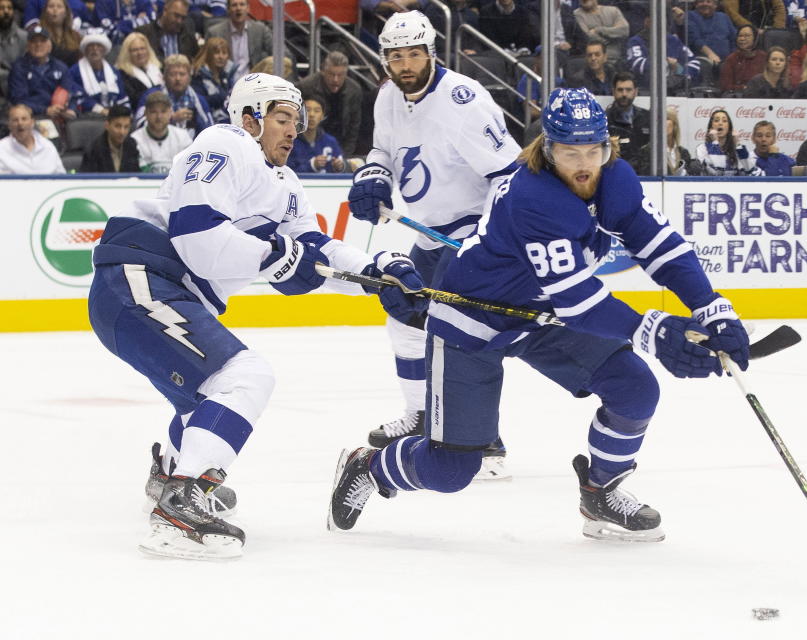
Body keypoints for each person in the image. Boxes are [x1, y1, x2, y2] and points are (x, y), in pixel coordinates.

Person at [327, 88, 751, 541]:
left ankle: (600, 492)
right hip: (473, 319)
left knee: (634, 388)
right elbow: (576, 297)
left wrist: (712, 305)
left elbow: (660, 245)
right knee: (451, 469)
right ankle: (370, 467)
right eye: (570, 152)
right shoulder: (533, 195)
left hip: (542, 316)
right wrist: (652, 330)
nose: (584, 163)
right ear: (548, 149)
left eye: (594, 149)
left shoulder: (616, 177)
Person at [87, 73, 427, 560]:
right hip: (139, 278)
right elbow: (198, 238)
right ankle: (182, 501)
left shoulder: (284, 182)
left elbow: (313, 250)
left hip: (157, 291)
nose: (294, 131)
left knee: (204, 405)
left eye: (298, 121)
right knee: (245, 377)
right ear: (249, 119)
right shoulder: (225, 143)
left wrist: (376, 274)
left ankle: (170, 472)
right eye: (283, 118)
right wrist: (275, 256)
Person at [346, 11, 521, 479]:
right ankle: (423, 415)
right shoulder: (387, 97)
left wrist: (492, 242)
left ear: (431, 52)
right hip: (431, 229)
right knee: (403, 316)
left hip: (474, 231)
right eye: (396, 57)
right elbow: (383, 150)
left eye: (413, 55)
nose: (405, 65)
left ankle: (485, 440)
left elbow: (510, 174)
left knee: (462, 336)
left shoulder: (464, 101)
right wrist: (373, 176)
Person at [297, 51, 361, 157]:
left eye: (340, 75)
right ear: (323, 71)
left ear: (346, 74)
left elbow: (353, 128)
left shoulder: (354, 90)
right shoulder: (305, 87)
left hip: (341, 141)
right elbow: (297, 122)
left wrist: (344, 157)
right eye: (331, 74)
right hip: (309, 144)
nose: (335, 80)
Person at [136, 54, 215, 138]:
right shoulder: (151, 96)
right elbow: (139, 124)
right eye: (173, 74)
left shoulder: (198, 100)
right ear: (164, 76)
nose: (178, 78)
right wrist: (170, 118)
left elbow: (210, 129)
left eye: (182, 74)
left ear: (189, 77)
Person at [8, 25, 76, 121]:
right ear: (27, 46)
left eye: (42, 41)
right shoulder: (19, 67)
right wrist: (44, 110)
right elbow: (18, 100)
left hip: (58, 114)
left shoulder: (61, 67)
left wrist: (70, 109)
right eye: (34, 41)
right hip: (32, 116)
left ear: (49, 45)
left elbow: (70, 92)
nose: (38, 45)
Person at [624, 10, 700, 95]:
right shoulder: (636, 41)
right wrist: (664, 63)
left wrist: (679, 70)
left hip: (675, 90)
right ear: (646, 22)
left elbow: (694, 63)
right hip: (647, 91)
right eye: (653, 20)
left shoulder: (673, 40)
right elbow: (636, 64)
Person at [68, 29, 130, 116]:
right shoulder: (74, 71)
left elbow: (122, 97)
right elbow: (78, 97)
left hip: (114, 115)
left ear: (105, 50)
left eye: (98, 46)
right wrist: (102, 111)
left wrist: (126, 113)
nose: (95, 49)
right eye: (91, 46)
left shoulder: (114, 72)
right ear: (85, 50)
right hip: (88, 117)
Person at [130, 89, 192, 172]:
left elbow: (189, 170)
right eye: (153, 112)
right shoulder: (135, 140)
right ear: (145, 113)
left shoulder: (183, 137)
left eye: (163, 111)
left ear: (170, 113)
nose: (159, 117)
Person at [205, 0, 271, 77]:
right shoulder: (214, 32)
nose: (238, 8)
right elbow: (205, 61)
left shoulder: (260, 29)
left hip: (253, 81)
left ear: (248, 8)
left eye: (242, 4)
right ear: (228, 9)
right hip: (225, 82)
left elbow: (280, 53)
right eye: (234, 5)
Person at [0, 102, 66, 173]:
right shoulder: (2, 149)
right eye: (15, 120)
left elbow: (62, 176)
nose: (20, 123)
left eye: (24, 119)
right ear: (9, 125)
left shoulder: (47, 146)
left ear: (32, 123)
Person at [604, 71, 649, 174]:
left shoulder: (647, 117)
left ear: (635, 92)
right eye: (620, 90)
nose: (624, 94)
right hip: (616, 173)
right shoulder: (604, 119)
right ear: (613, 92)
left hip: (647, 176)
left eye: (628, 90)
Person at [696, 108, 763, 176]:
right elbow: (719, 171)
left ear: (729, 128)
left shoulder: (737, 149)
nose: (720, 123)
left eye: (724, 121)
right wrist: (715, 142)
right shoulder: (702, 148)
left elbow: (751, 170)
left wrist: (738, 145)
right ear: (711, 127)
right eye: (716, 120)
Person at [288, 96, 344, 174]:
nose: (312, 115)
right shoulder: (290, 140)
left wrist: (339, 167)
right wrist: (312, 165)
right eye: (307, 110)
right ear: (299, 114)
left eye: (317, 111)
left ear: (323, 116)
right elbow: (285, 172)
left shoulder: (331, 141)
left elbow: (341, 167)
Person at [638, 106, 700, 176]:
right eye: (658, 120)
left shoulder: (683, 153)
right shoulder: (647, 151)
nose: (662, 123)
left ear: (674, 124)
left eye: (666, 119)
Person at [79, 104, 139, 171]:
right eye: (118, 126)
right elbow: (88, 179)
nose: (122, 132)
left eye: (126, 127)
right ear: (107, 125)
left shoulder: (132, 145)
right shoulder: (94, 150)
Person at [191, 36, 237, 124]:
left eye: (224, 53)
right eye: (216, 53)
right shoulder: (198, 76)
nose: (221, 57)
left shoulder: (229, 74)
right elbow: (198, 102)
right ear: (208, 55)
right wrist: (222, 97)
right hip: (208, 122)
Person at [115, 31, 162, 110]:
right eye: (135, 50)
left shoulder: (159, 68)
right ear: (127, 53)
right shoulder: (122, 74)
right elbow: (133, 99)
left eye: (142, 48)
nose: (140, 53)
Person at [687, 0, 738, 70]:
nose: (705, 4)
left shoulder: (723, 17)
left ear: (715, 5)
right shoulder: (690, 16)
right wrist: (710, 54)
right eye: (701, 1)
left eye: (708, 1)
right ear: (696, 5)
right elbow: (695, 40)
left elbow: (734, 38)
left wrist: (733, 57)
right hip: (705, 60)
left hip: (728, 59)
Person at [719, 24, 767, 95]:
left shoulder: (764, 57)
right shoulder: (731, 59)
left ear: (755, 38)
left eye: (747, 36)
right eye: (740, 36)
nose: (742, 39)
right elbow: (725, 86)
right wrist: (743, 88)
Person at [40, 0, 82, 66]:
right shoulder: (39, 35)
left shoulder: (76, 36)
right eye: (51, 6)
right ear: (45, 12)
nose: (55, 9)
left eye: (59, 7)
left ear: (66, 13)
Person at [0, 0, 27, 74]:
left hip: (16, 80)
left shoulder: (23, 37)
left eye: (9, 8)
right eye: (1, 8)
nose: (6, 11)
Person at [721, 0, 786, 30]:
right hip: (741, 30)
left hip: (768, 30)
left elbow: (779, 8)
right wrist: (753, 30)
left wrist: (777, 30)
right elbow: (732, 13)